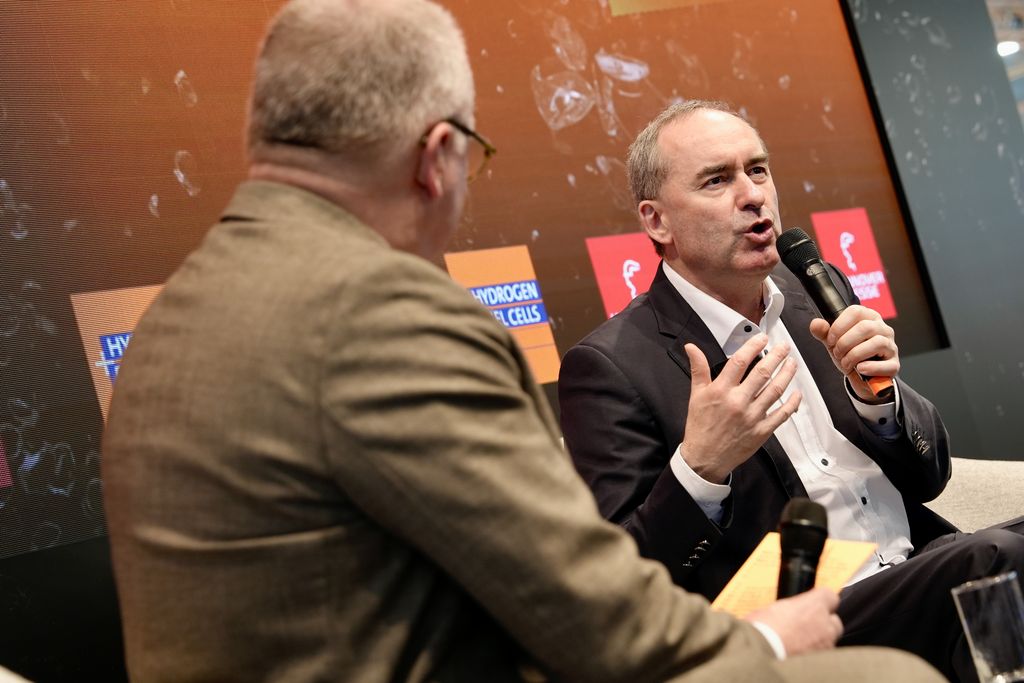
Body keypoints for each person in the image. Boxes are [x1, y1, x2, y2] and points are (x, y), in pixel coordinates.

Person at [101, 5, 944, 681]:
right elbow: (590, 613)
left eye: (757, 171)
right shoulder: (389, 316)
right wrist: (762, 643)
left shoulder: (173, 319)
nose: (752, 198)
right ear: (437, 156)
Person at [558, 99, 1024, 682]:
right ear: (657, 222)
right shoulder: (611, 365)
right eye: (716, 180)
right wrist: (700, 470)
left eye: (757, 170)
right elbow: (622, 582)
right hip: (801, 621)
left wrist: (879, 401)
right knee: (989, 563)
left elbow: (931, 477)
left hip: (920, 568)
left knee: (987, 559)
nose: (752, 194)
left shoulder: (815, 292)